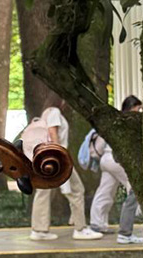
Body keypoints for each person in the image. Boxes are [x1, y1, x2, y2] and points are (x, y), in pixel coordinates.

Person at [29, 100, 102, 241]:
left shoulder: (45, 112)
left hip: (44, 158)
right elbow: (52, 131)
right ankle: (80, 228)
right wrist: (59, 155)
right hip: (58, 159)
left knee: (43, 192)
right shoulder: (54, 112)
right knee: (76, 190)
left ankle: (39, 229)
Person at [89, 95, 143, 244]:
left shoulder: (115, 120)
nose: (139, 111)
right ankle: (128, 229)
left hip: (106, 160)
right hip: (118, 160)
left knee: (105, 191)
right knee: (135, 188)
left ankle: (97, 223)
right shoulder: (130, 121)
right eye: (138, 108)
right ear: (131, 107)